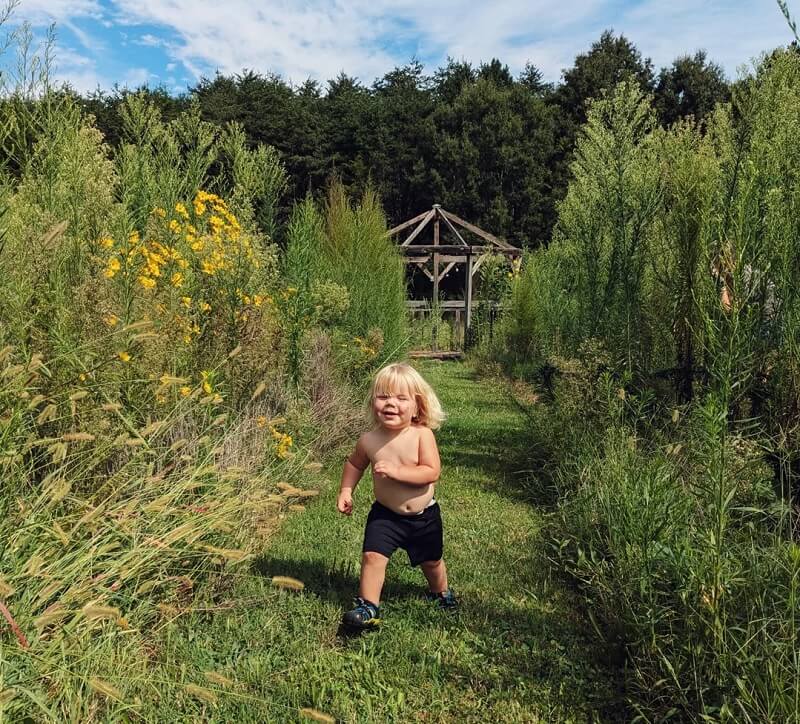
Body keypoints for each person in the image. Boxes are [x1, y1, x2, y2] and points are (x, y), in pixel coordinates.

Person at [337, 362, 457, 630]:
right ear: (373, 402)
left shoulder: (421, 435)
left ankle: (440, 592)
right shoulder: (368, 440)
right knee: (373, 557)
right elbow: (354, 464)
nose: (391, 404)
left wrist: (398, 471)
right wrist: (346, 489)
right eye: (383, 397)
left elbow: (431, 472)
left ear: (417, 406)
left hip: (423, 517)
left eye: (401, 398)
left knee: (432, 561)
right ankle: (368, 606)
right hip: (385, 515)